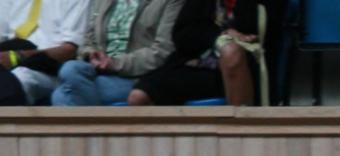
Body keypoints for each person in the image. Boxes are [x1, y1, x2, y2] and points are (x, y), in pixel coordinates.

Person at [127, 0, 263, 106]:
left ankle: (240, 135)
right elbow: (182, 35)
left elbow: (263, 31)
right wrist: (221, 34)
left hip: (240, 68)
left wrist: (238, 37)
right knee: (138, 97)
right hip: (195, 63)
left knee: (231, 53)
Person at [50, 0, 183, 106]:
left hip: (136, 77)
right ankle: (97, 135)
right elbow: (88, 41)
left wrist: (114, 63)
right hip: (96, 70)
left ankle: (95, 135)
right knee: (71, 68)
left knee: (61, 94)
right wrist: (91, 55)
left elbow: (163, 52)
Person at [0, 0, 90, 105]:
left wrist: (18, 57)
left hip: (48, 69)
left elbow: (69, 50)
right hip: (8, 58)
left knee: (16, 79)